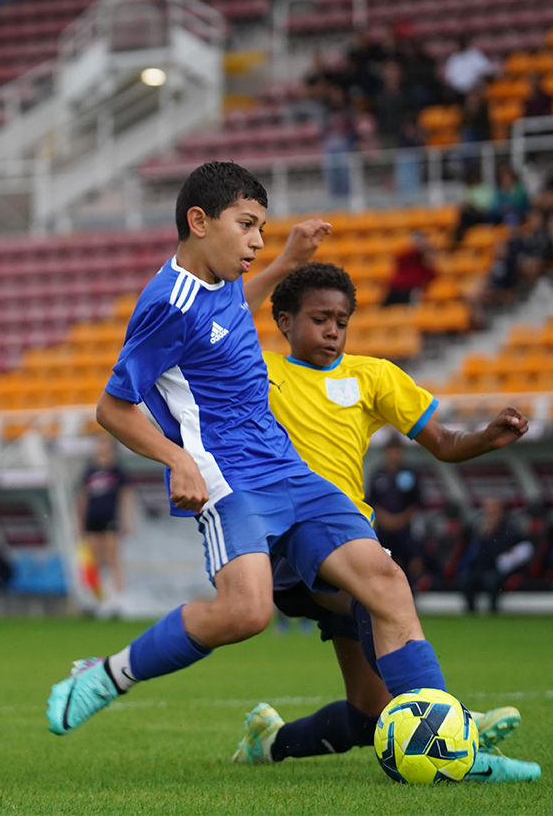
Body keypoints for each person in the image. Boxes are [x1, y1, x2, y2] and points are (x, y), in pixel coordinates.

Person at [46, 161, 455, 753]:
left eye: (261, 228)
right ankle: (106, 674)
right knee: (245, 613)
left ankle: (445, 742)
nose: (257, 240)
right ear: (199, 221)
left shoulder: (216, 284)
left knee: (386, 582)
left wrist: (287, 260)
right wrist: (177, 461)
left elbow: (237, 306)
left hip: (288, 468)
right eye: (247, 225)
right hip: (228, 477)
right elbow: (113, 408)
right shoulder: (169, 304)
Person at [230, 260, 538, 781]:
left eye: (342, 320)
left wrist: (484, 438)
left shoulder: (373, 375)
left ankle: (269, 741)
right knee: (386, 587)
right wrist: (286, 257)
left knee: (368, 715)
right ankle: (452, 732)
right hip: (289, 537)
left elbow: (442, 442)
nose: (333, 330)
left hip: (348, 536)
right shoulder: (261, 370)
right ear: (283, 321)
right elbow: (223, 321)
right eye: (319, 318)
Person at [77, 435, 135, 614]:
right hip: (92, 519)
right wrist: (79, 523)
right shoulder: (89, 471)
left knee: (112, 558)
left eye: (103, 443)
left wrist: (127, 521)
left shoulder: (117, 471)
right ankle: (96, 599)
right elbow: (82, 498)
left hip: (110, 518)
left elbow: (125, 498)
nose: (100, 447)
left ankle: (117, 600)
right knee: (95, 560)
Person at [459, 497, 534, 614]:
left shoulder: (510, 529)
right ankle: (470, 611)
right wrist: (484, 534)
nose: (490, 514)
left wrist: (491, 534)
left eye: (493, 510)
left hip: (497, 568)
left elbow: (503, 553)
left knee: (491, 580)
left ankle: (493, 612)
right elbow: (476, 553)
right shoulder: (479, 529)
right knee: (466, 579)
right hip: (481, 567)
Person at [367, 436, 424, 585]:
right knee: (381, 567)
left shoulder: (411, 474)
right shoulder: (377, 474)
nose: (393, 454)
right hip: (383, 531)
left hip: (405, 532)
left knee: (407, 568)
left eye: (396, 451)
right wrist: (385, 519)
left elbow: (416, 503)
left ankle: (409, 600)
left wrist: (399, 520)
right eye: (390, 451)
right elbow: (371, 502)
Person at [381, 231, 436, 306]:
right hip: (397, 287)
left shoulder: (425, 259)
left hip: (409, 288)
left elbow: (431, 273)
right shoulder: (407, 255)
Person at [444, 35, 495, 99]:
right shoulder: (454, 58)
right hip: (457, 92)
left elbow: (487, 71)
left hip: (474, 90)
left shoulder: (475, 55)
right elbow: (449, 78)